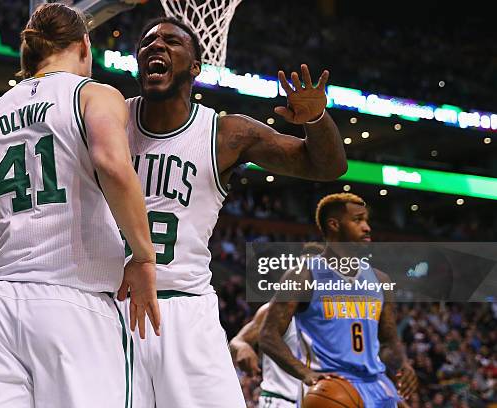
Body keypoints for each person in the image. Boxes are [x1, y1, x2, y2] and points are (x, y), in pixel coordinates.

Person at [0, 3, 159, 407]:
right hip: (72, 300)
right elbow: (113, 164)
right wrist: (144, 258)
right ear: (84, 46)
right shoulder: (92, 94)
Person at [120, 17, 347, 408]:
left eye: (171, 41)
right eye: (147, 42)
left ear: (195, 67)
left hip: (187, 308)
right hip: (111, 307)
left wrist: (315, 119)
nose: (155, 46)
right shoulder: (108, 120)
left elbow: (327, 167)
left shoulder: (227, 133)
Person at [259, 193, 418, 407]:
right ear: (334, 225)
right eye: (357, 220)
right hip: (330, 386)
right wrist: (305, 373)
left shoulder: (380, 280)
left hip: (375, 384)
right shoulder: (303, 275)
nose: (367, 227)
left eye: (366, 220)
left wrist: (402, 365)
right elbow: (268, 334)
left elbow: (388, 341)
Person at [230, 244, 323, 408]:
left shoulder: (336, 316)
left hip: (321, 401)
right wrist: (243, 347)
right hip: (281, 400)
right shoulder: (272, 310)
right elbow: (237, 341)